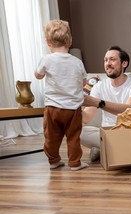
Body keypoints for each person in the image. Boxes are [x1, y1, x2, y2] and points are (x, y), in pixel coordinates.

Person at [34, 19, 88, 171]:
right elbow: (84, 82)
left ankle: (54, 161)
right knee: (73, 137)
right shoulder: (77, 62)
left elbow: (38, 76)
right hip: (73, 108)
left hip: (53, 107)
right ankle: (75, 163)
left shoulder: (46, 59)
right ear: (70, 41)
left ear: (48, 42)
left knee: (51, 137)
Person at [81, 46, 131, 161]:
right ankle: (115, 149)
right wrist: (71, 107)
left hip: (130, 131)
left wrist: (99, 103)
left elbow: (129, 109)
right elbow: (87, 117)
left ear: (124, 63)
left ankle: (104, 149)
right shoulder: (99, 86)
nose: (107, 63)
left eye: (112, 59)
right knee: (79, 132)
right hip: (109, 132)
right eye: (105, 60)